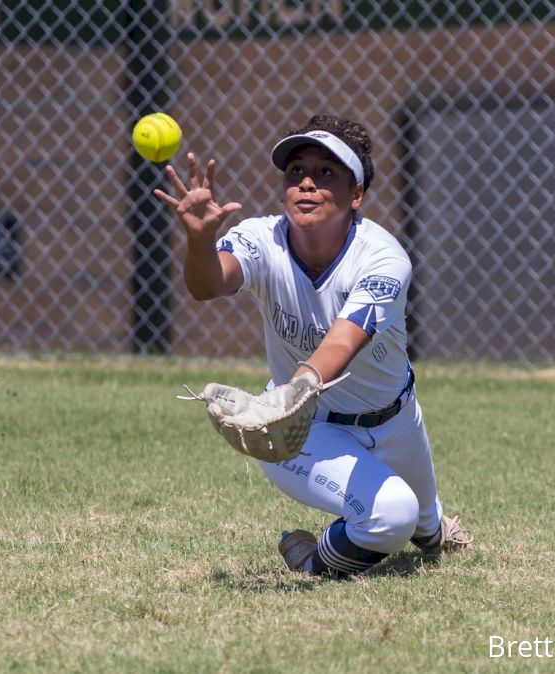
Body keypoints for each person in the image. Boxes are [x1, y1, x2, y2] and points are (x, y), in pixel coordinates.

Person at [155, 114, 471, 577]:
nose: (306, 183)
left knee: (428, 532)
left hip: (396, 417)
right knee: (392, 517)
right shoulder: (262, 239)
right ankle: (311, 559)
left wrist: (301, 382)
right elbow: (208, 285)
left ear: (356, 193)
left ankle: (428, 524)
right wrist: (200, 242)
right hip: (304, 427)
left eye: (326, 173)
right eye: (295, 171)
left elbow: (345, 337)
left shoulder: (383, 258)